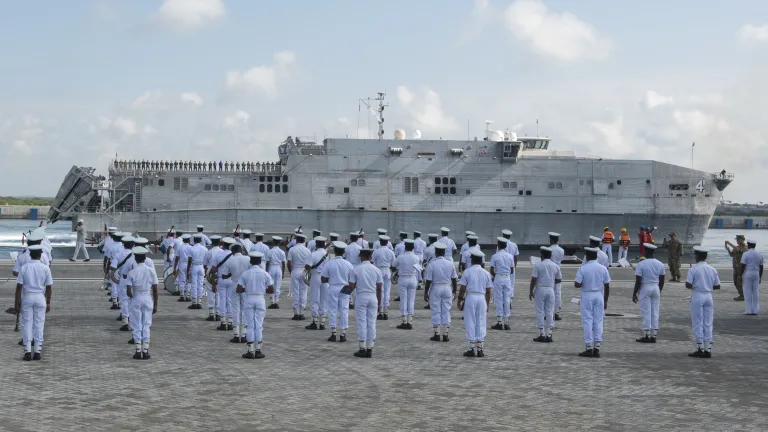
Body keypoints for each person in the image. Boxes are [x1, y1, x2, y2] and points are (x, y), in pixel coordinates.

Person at [15, 244, 52, 361]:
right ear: (40, 255)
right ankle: (37, 351)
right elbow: (49, 287)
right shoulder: (45, 268)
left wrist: (16, 303)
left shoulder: (24, 267)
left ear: (30, 254)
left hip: (27, 296)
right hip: (40, 297)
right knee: (39, 323)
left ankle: (27, 351)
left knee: (27, 323)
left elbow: (19, 287)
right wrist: (48, 302)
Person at [236, 251, 275, 359]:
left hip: (249, 298)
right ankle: (258, 350)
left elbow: (238, 289)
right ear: (260, 261)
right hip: (260, 298)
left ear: (250, 261)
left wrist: (248, 289)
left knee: (249, 325)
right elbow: (272, 289)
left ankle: (250, 350)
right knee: (258, 325)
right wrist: (261, 290)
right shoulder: (265, 273)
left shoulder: (245, 273)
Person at [575, 247, 611, 358]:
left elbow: (577, 284)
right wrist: (605, 300)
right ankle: (597, 347)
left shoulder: (583, 268)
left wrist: (585, 283)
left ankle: (589, 347)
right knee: (598, 320)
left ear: (587, 256)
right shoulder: (603, 268)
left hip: (587, 295)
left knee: (587, 320)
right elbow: (607, 285)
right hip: (599, 295)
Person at [348, 248, 383, 358]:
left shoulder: (356, 269)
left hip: (361, 296)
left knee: (362, 322)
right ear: (370, 257)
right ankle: (370, 348)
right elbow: (379, 288)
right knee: (372, 323)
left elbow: (351, 286)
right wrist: (379, 303)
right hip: (373, 296)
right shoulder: (376, 269)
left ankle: (362, 348)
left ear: (361, 256)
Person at [457, 250, 492, 357]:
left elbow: (463, 288)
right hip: (481, 297)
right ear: (481, 261)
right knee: (481, 321)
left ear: (472, 260)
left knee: (470, 321)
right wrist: (487, 304)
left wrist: (460, 299)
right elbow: (488, 291)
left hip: (471, 297)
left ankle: (471, 348)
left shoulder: (467, 272)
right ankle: (480, 348)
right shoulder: (486, 273)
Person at [686, 246, 720, 358]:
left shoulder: (693, 269)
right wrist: (707, 286)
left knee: (697, 321)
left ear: (697, 256)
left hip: (697, 294)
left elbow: (688, 285)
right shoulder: (712, 269)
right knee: (708, 322)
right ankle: (708, 348)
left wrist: (697, 285)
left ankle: (700, 347)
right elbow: (717, 286)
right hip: (708, 295)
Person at [126, 246, 158, 360]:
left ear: (135, 259)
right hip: (148, 297)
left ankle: (138, 350)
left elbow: (128, 292)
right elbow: (155, 290)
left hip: (137, 296)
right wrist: (155, 305)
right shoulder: (151, 271)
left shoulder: (131, 272)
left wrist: (134, 297)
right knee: (146, 324)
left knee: (136, 324)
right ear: (145, 258)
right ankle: (146, 351)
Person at [321, 241, 354, 342]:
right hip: (345, 288)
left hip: (333, 287)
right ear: (343, 252)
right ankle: (343, 334)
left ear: (334, 251)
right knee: (344, 310)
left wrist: (331, 279)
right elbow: (352, 279)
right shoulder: (348, 264)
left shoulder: (329, 263)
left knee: (332, 310)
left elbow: (323, 279)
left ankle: (333, 333)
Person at [424, 242, 457, 342]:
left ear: (436, 252)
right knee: (446, 310)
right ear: (444, 252)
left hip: (436, 287)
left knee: (436, 310)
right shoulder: (450, 263)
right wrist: (454, 290)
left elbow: (428, 280)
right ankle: (445, 334)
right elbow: (454, 279)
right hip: (447, 287)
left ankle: (437, 334)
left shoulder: (432, 264)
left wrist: (426, 292)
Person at [632, 243, 665, 343]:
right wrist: (659, 290)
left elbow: (638, 281)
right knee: (655, 311)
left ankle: (646, 334)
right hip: (656, 287)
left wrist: (634, 293)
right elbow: (662, 280)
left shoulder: (641, 264)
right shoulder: (660, 264)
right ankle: (654, 335)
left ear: (646, 251)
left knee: (646, 311)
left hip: (645, 287)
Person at [219, 244, 251, 343]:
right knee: (245, 308)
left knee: (235, 308)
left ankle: (236, 334)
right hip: (245, 285)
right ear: (241, 250)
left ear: (232, 251)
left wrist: (231, 273)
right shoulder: (248, 259)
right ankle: (244, 334)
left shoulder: (230, 260)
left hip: (235, 283)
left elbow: (224, 276)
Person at [530, 246, 561, 342]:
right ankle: (549, 334)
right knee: (550, 311)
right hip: (550, 289)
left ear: (542, 255)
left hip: (540, 288)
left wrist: (531, 291)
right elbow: (559, 279)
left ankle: (542, 333)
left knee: (540, 311)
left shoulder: (538, 265)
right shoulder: (555, 266)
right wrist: (550, 282)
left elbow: (533, 279)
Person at [393, 239, 420, 330]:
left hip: (403, 279)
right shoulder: (416, 257)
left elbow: (394, 265)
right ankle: (410, 321)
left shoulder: (401, 257)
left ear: (405, 247)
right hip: (412, 278)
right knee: (411, 300)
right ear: (413, 248)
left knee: (403, 300)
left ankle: (404, 321)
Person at [490, 237, 515, 331]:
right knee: (507, 300)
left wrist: (496, 275)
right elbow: (512, 270)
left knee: (499, 299)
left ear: (498, 246)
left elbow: (491, 270)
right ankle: (507, 322)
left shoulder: (495, 256)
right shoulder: (510, 256)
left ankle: (500, 322)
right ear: (505, 246)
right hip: (507, 278)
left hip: (498, 277)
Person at [212, 237, 236, 331]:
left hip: (221, 279)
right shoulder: (234, 256)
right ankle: (230, 322)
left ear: (223, 244)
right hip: (231, 280)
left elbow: (214, 270)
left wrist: (213, 283)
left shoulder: (218, 255)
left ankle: (223, 322)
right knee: (230, 300)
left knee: (222, 300)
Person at [305, 236, 329, 330]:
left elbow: (307, 267)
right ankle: (322, 322)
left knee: (314, 298)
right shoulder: (328, 255)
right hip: (326, 278)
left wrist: (309, 268)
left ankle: (314, 322)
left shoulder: (313, 254)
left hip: (316, 276)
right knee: (324, 299)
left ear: (317, 244)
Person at [286, 234, 312, 320]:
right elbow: (310, 263)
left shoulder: (292, 249)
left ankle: (296, 313)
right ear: (304, 240)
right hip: (304, 271)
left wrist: (290, 271)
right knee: (303, 291)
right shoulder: (307, 250)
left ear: (296, 240)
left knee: (295, 291)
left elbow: (289, 262)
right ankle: (302, 313)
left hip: (295, 270)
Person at [373, 235, 396, 320]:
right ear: (387, 243)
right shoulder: (391, 252)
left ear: (380, 242)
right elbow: (394, 264)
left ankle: (381, 311)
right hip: (387, 270)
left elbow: (372, 261)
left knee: (380, 291)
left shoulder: (376, 251)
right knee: (387, 291)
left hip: (379, 270)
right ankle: (386, 311)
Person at [740, 239, 764, 315]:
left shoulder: (746, 254)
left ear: (749, 245)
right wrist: (760, 277)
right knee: (755, 292)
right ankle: (756, 310)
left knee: (748, 292)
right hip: (756, 273)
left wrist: (740, 275)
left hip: (748, 273)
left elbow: (743, 265)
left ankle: (749, 310)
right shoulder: (759, 254)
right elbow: (761, 267)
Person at [203, 235, 222, 321]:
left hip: (210, 272)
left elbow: (205, 265)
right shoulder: (222, 252)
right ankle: (218, 314)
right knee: (219, 293)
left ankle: (211, 314)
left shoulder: (208, 252)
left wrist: (206, 274)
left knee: (210, 292)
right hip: (220, 273)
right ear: (219, 242)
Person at [188, 233, 208, 309]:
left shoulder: (192, 248)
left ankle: (194, 302)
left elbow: (189, 260)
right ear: (200, 240)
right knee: (200, 284)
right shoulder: (205, 249)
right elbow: (206, 261)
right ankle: (199, 302)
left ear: (194, 240)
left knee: (194, 284)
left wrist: (188, 270)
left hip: (194, 266)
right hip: (201, 267)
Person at [266, 236, 286, 309]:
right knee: (278, 285)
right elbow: (283, 263)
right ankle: (276, 301)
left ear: (273, 242)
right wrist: (283, 272)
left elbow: (267, 262)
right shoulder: (282, 252)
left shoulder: (270, 251)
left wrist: (266, 271)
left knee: (271, 284)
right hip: (278, 268)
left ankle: (272, 302)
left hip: (271, 267)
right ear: (279, 243)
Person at [548, 232, 565, 321]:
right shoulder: (561, 250)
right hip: (558, 271)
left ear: (551, 240)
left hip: (549, 272)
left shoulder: (549, 249)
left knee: (549, 292)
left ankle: (548, 312)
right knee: (557, 293)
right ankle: (557, 312)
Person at [725, 235, 747, 301]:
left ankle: (743, 295)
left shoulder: (745, 247)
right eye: (737, 240)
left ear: (742, 240)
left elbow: (739, 250)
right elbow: (731, 255)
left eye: (738, 239)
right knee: (735, 282)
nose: (737, 241)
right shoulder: (736, 247)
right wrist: (728, 249)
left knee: (740, 282)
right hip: (735, 267)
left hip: (741, 268)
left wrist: (729, 243)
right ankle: (741, 294)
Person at [173, 234, 192, 302]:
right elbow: (191, 258)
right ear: (189, 240)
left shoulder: (180, 247)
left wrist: (174, 268)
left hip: (181, 264)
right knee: (189, 280)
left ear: (183, 240)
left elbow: (176, 258)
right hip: (189, 264)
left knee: (181, 280)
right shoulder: (191, 247)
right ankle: (188, 296)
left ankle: (182, 296)